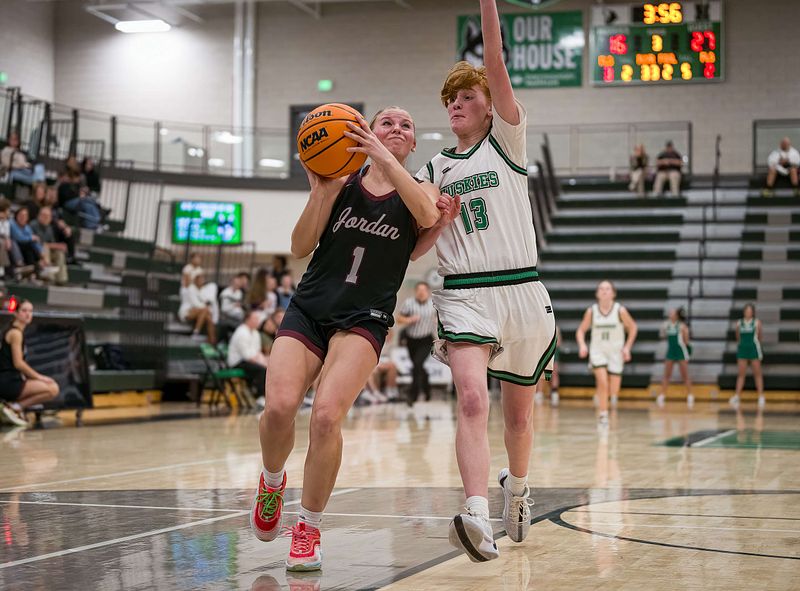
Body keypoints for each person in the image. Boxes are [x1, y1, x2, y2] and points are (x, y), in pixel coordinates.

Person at [251, 105, 448, 572]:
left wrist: (383, 158)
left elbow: (425, 214)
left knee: (325, 417)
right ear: (364, 131)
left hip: (364, 316)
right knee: (278, 408)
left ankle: (308, 527)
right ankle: (272, 480)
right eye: (386, 122)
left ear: (413, 142)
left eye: (406, 124)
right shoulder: (341, 182)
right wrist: (320, 193)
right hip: (310, 307)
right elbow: (300, 247)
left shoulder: (423, 189)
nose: (396, 128)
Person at [412, 0, 557, 562]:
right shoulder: (434, 169)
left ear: (490, 104)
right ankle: (475, 511)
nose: (456, 104)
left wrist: (487, 6)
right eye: (450, 99)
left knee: (518, 417)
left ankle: (516, 490)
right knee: (472, 399)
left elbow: (494, 58)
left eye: (467, 96)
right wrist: (435, 220)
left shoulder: (506, 142)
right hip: (465, 292)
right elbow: (415, 244)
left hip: (522, 291)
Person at [576, 280, 638, 427]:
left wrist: (627, 347)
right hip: (598, 352)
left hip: (616, 352)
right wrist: (582, 345)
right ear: (597, 293)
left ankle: (603, 397)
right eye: (601, 289)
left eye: (607, 288)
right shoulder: (592, 311)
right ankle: (603, 415)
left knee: (613, 390)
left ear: (613, 293)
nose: (604, 291)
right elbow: (580, 330)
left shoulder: (620, 310)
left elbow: (633, 327)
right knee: (603, 382)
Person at [0, 300, 59, 428]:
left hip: (11, 380)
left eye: (31, 311)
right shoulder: (16, 333)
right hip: (8, 382)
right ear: (16, 313)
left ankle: (14, 407)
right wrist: (40, 377)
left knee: (51, 387)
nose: (28, 314)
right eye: (24, 311)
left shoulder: (16, 331)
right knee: (52, 388)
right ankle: (15, 407)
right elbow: (18, 363)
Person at [396, 281, 436, 405]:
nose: (421, 293)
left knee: (417, 364)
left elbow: (441, 317)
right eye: (419, 290)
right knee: (417, 366)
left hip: (426, 340)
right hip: (411, 340)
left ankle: (413, 395)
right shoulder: (409, 303)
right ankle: (427, 388)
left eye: (423, 290)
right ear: (415, 292)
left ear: (428, 292)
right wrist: (409, 319)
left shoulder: (433, 304)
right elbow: (398, 319)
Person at [228, 309, 269, 400]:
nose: (258, 321)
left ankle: (267, 396)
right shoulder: (241, 332)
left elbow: (257, 352)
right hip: (238, 362)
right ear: (247, 319)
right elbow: (246, 356)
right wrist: (262, 363)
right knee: (262, 370)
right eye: (255, 319)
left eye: (258, 319)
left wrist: (265, 361)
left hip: (250, 360)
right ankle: (260, 397)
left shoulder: (255, 333)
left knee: (269, 367)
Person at [729, 303, 764, 409]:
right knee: (741, 374)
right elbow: (737, 337)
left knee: (757, 374)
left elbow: (760, 337)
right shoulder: (739, 323)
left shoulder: (757, 322)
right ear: (744, 312)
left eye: (750, 311)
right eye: (746, 311)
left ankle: (761, 396)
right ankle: (737, 396)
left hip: (754, 349)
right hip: (743, 350)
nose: (748, 312)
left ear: (753, 312)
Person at [656, 307, 693, 408]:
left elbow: (686, 341)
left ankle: (690, 395)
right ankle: (662, 395)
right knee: (666, 374)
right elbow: (662, 335)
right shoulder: (666, 325)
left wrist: (688, 352)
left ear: (676, 315)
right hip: (671, 351)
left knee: (685, 375)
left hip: (681, 351)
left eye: (672, 313)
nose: (670, 314)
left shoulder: (682, 326)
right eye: (670, 313)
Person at [30, 206, 69, 284]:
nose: (45, 218)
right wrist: (56, 245)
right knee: (45, 248)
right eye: (43, 215)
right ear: (39, 215)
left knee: (59, 253)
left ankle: (61, 279)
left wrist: (59, 247)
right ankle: (48, 276)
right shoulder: (33, 225)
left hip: (47, 251)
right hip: (35, 251)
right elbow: (38, 243)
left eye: (48, 216)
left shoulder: (49, 228)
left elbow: (52, 242)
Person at [178, 270, 217, 343]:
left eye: (202, 279)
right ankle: (196, 333)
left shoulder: (202, 289)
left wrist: (207, 309)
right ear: (195, 280)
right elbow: (196, 304)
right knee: (205, 311)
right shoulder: (190, 288)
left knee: (209, 318)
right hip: (186, 312)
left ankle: (212, 340)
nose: (201, 281)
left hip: (199, 313)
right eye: (199, 279)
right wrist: (207, 309)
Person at [219, 272, 251, 341]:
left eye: (238, 284)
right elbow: (223, 309)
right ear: (232, 283)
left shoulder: (239, 292)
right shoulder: (225, 293)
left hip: (238, 316)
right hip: (226, 316)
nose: (237, 286)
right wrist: (234, 305)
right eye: (235, 284)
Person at [535, 325, 561, 406]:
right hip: (542, 351)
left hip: (553, 352)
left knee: (554, 373)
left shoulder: (555, 327)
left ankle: (554, 392)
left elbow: (558, 343)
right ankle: (539, 393)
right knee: (540, 373)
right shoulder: (540, 327)